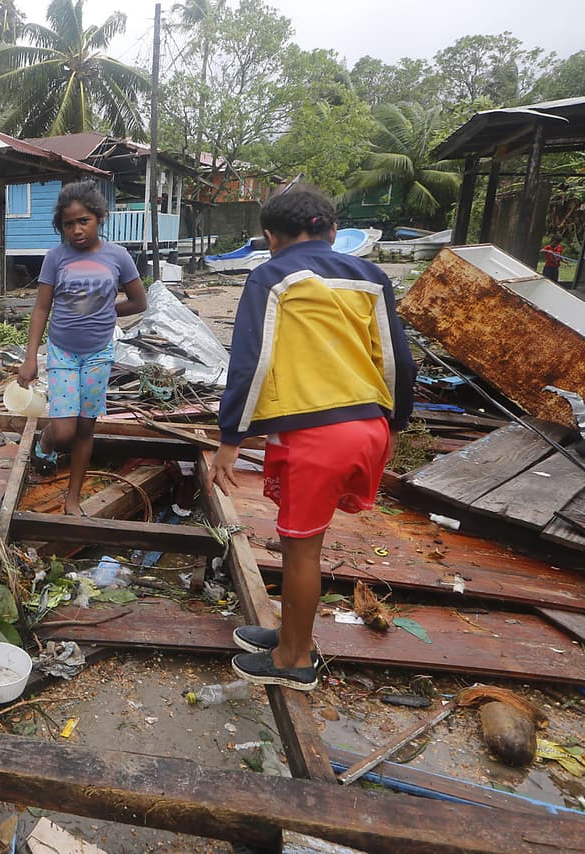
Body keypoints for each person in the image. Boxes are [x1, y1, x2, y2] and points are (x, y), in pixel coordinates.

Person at [208, 188, 416, 691]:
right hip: (367, 426)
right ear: (332, 230)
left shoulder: (272, 276)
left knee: (301, 550)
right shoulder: (370, 276)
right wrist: (396, 422)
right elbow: (397, 361)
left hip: (315, 434)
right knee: (302, 541)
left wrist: (231, 437)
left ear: (270, 237)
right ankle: (288, 634)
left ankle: (294, 661)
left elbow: (250, 361)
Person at [18, 181, 148, 516]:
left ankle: (72, 499)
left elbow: (138, 301)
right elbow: (41, 309)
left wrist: (105, 310)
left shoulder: (117, 256)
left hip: (99, 352)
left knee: (85, 428)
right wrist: (30, 358)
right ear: (60, 226)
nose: (76, 230)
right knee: (64, 430)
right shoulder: (55, 258)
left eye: (83, 221)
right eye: (68, 223)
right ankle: (45, 442)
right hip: (62, 350)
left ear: (99, 218)